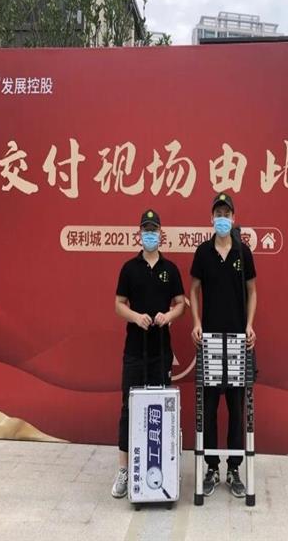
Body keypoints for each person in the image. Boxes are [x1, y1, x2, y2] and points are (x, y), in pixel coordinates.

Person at [111, 209, 185, 498]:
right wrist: (135, 317)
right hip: (134, 350)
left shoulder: (171, 269)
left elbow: (180, 303)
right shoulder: (129, 268)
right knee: (128, 408)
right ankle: (124, 470)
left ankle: (163, 466)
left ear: (160, 234)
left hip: (161, 352)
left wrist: (169, 316)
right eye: (146, 230)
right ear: (139, 234)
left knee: (161, 407)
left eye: (154, 230)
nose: (150, 234)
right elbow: (119, 304)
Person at [190, 193, 257, 498]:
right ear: (211, 218)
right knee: (210, 409)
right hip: (210, 343)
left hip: (238, 343)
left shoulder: (243, 252)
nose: (222, 218)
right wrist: (196, 322)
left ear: (233, 217)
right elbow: (193, 290)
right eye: (217, 213)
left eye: (226, 214)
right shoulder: (203, 253)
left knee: (236, 409)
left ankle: (234, 469)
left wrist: (249, 325)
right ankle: (212, 468)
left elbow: (253, 291)